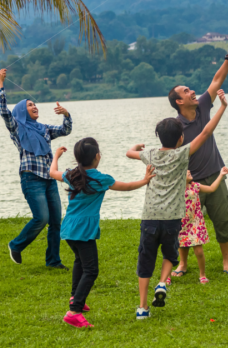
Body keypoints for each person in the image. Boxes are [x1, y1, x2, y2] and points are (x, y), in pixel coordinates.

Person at [126, 90, 228, 320]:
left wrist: (137, 146)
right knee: (171, 255)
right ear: (180, 139)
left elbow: (129, 152)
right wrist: (222, 107)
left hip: (150, 216)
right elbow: (206, 131)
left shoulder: (150, 154)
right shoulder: (183, 154)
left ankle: (142, 308)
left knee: (145, 260)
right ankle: (162, 282)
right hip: (173, 218)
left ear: (159, 137)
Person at [50, 138, 155, 328]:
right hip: (83, 231)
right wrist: (145, 180)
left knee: (79, 262)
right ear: (97, 157)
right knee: (91, 270)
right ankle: (74, 311)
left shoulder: (71, 174)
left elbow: (52, 172)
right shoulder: (101, 179)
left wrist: (56, 156)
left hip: (69, 229)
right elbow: (127, 186)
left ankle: (76, 298)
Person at [167, 34, 228, 275]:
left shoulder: (204, 106)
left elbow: (217, 80)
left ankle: (226, 262)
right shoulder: (174, 127)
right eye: (187, 91)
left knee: (223, 219)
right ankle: (183, 264)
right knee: (185, 224)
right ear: (179, 101)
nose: (192, 91)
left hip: (215, 176)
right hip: (189, 183)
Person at [0, 68, 71, 269]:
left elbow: (65, 130)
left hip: (48, 179)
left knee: (56, 221)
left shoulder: (44, 128)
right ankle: (15, 245)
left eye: (35, 104)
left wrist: (66, 114)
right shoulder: (17, 127)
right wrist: (1, 84)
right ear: (22, 111)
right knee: (42, 217)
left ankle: (53, 261)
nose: (34, 106)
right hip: (31, 178)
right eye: (30, 105)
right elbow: (4, 111)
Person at [170, 167, 228, 285]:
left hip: (195, 224)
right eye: (185, 171)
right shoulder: (174, 190)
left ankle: (202, 275)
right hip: (180, 225)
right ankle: (167, 276)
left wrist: (221, 174)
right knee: (171, 251)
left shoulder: (195, 186)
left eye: (188, 170)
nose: (188, 171)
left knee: (199, 251)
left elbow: (212, 188)